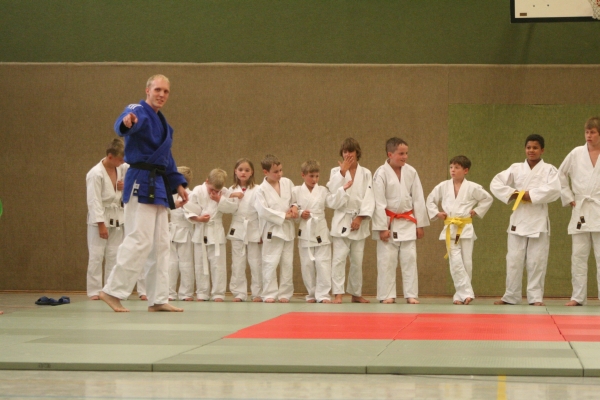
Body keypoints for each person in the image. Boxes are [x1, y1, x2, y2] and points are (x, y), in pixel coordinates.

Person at [100, 74, 188, 313]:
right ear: (147, 90)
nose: (161, 94)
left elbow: (166, 158)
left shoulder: (165, 125)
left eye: (166, 91)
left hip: (158, 183)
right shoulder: (137, 109)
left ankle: (158, 298)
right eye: (157, 89)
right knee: (139, 239)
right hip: (140, 180)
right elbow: (124, 124)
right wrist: (126, 123)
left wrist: (178, 184)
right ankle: (112, 291)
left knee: (161, 244)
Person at [491, 134, 560, 306]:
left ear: (542, 150)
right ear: (525, 149)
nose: (531, 150)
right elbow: (495, 183)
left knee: (537, 261)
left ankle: (535, 297)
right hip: (518, 220)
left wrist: (531, 195)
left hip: (538, 220)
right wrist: (514, 194)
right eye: (528, 147)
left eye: (535, 148)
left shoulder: (550, 170)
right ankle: (510, 296)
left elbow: (555, 189)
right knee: (513, 260)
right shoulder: (516, 168)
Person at [426, 156, 493, 305]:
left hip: (465, 227)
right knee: (455, 261)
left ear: (465, 170)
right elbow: (430, 200)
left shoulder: (473, 187)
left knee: (466, 262)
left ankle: (460, 295)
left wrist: (477, 210)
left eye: (457, 167)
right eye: (451, 167)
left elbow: (487, 199)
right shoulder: (443, 186)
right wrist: (437, 213)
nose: (453, 170)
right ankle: (466, 294)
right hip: (450, 227)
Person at [372, 137, 429, 304]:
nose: (405, 157)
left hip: (408, 221)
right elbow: (378, 202)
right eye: (401, 154)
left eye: (406, 153)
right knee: (387, 261)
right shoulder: (381, 173)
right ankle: (387, 295)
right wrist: (382, 227)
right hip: (389, 222)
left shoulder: (411, 172)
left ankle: (411, 294)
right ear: (390, 154)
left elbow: (418, 198)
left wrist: (420, 224)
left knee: (410, 259)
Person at [293, 160, 351, 303]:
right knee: (307, 265)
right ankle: (311, 294)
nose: (314, 179)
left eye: (317, 176)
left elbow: (333, 202)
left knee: (323, 264)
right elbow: (291, 209)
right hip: (305, 232)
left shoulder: (323, 190)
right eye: (311, 176)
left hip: (321, 231)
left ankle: (324, 295)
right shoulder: (295, 191)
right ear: (303, 175)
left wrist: (342, 190)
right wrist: (300, 213)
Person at [326, 138, 375, 304]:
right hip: (342, 219)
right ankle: (338, 294)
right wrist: (342, 172)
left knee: (357, 261)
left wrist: (360, 217)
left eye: (351, 151)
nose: (348, 154)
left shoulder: (366, 173)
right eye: (345, 151)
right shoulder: (335, 171)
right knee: (338, 259)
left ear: (357, 152)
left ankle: (356, 293)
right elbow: (332, 193)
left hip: (359, 221)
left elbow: (370, 197)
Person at [559, 117, 600, 306]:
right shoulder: (576, 153)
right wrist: (568, 197)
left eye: (593, 132)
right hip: (581, 208)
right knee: (578, 256)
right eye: (587, 132)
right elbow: (560, 174)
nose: (589, 135)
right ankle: (578, 296)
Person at [86, 138, 128, 300]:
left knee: (114, 255)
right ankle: (94, 290)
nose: (122, 162)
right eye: (120, 159)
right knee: (96, 255)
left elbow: (133, 171)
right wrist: (100, 224)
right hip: (100, 218)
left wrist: (125, 185)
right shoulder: (95, 174)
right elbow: (93, 201)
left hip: (117, 217)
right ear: (110, 156)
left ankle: (110, 289)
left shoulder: (121, 168)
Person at [185, 169, 237, 302]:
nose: (213, 192)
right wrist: (198, 218)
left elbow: (233, 208)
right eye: (211, 189)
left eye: (217, 190)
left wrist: (220, 200)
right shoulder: (197, 190)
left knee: (218, 264)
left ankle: (218, 293)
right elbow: (188, 208)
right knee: (200, 264)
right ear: (207, 181)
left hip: (216, 231)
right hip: (201, 231)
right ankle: (202, 293)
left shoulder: (224, 192)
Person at [254, 154, 298, 303]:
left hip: (287, 229)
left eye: (280, 170)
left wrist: (294, 207)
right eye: (276, 172)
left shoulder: (287, 182)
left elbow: (295, 200)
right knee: (270, 262)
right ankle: (269, 293)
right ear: (265, 172)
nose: (279, 174)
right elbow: (263, 211)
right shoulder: (260, 190)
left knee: (287, 263)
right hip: (272, 230)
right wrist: (284, 215)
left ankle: (285, 293)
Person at [227, 159, 263, 302]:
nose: (243, 172)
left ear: (252, 172)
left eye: (247, 170)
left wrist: (261, 232)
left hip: (254, 227)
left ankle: (257, 293)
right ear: (235, 171)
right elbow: (224, 207)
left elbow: (262, 212)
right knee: (237, 262)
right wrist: (231, 196)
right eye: (240, 169)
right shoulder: (230, 190)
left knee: (256, 262)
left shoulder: (258, 189)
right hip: (238, 228)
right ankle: (239, 293)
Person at [168, 166, 195, 301]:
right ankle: (169, 292)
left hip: (186, 231)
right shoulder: (170, 194)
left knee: (186, 263)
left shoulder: (192, 195)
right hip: (171, 231)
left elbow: (195, 212)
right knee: (170, 263)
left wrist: (185, 205)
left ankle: (186, 293)